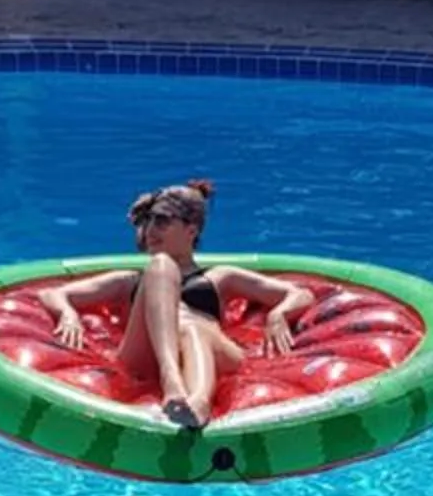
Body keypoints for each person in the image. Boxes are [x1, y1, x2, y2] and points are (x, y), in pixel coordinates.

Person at [37, 180, 313, 432]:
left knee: (192, 327)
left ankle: (198, 401)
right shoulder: (130, 282)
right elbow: (54, 295)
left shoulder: (220, 278)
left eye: (162, 221)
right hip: (146, 362)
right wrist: (68, 313)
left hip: (208, 350)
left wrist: (279, 314)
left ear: (191, 229)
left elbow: (300, 294)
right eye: (147, 221)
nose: (150, 231)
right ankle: (176, 382)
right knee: (160, 267)